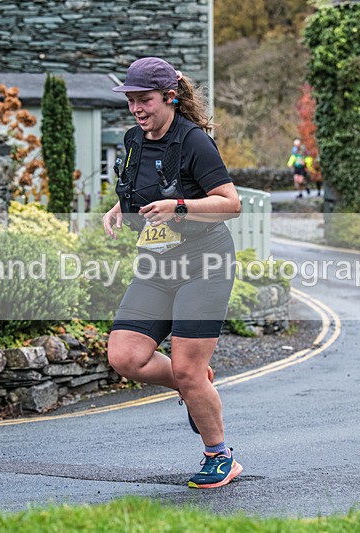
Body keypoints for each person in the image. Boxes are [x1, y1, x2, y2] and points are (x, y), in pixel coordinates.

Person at [103, 57, 243, 488]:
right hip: (156, 265)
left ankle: (220, 456)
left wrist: (179, 206)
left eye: (144, 100)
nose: (137, 109)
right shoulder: (133, 140)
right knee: (125, 356)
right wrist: (118, 209)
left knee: (185, 368)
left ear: (170, 96)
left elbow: (231, 204)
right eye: (130, 101)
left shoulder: (195, 142)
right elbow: (143, 189)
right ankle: (193, 381)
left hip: (205, 265)